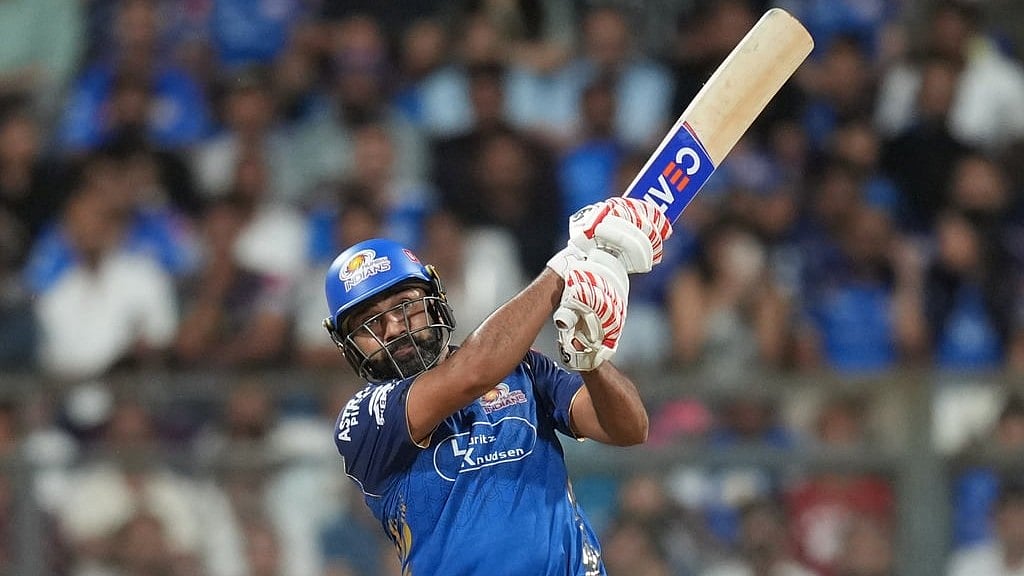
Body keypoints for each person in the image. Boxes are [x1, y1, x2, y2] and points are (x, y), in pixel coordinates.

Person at [321, 197, 671, 574]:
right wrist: (567, 265)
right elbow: (472, 373)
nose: (393, 328)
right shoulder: (361, 419)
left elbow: (630, 429)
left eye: (405, 305)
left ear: (434, 299)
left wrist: (592, 361)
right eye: (368, 324)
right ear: (349, 345)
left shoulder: (522, 367)